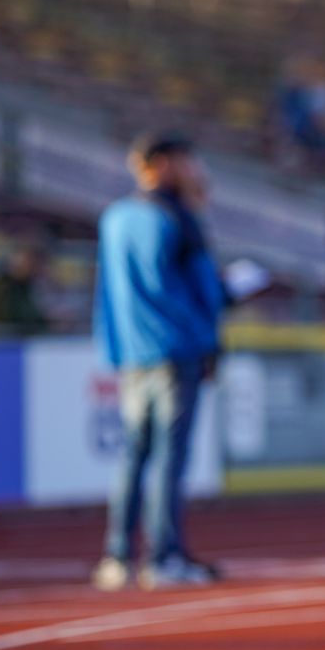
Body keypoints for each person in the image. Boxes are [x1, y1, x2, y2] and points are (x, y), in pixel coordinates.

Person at [91, 133, 229, 592]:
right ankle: (165, 557)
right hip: (177, 351)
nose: (195, 171)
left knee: (134, 454)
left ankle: (117, 556)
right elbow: (205, 291)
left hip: (132, 354)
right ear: (165, 164)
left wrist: (112, 349)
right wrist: (211, 340)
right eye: (189, 162)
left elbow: (107, 293)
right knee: (170, 458)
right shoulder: (176, 216)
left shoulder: (114, 217)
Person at [0, 243, 50, 336]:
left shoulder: (28, 284)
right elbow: (4, 313)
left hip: (27, 332)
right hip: (9, 333)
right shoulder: (2, 285)